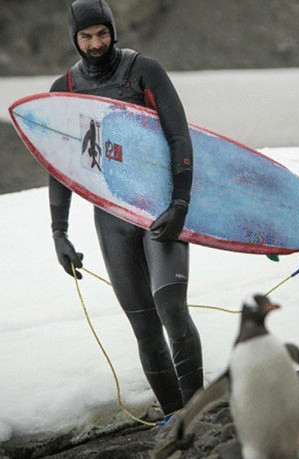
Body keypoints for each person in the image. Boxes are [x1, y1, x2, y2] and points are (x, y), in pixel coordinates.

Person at [49, 0, 202, 420]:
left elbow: (179, 137)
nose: (96, 43)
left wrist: (181, 203)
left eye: (102, 33)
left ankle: (201, 411)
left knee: (172, 309)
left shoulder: (143, 71)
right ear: (75, 39)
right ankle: (174, 418)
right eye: (86, 36)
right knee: (144, 326)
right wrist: (58, 231)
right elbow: (59, 167)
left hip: (160, 210)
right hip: (111, 219)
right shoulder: (64, 90)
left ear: (113, 31)